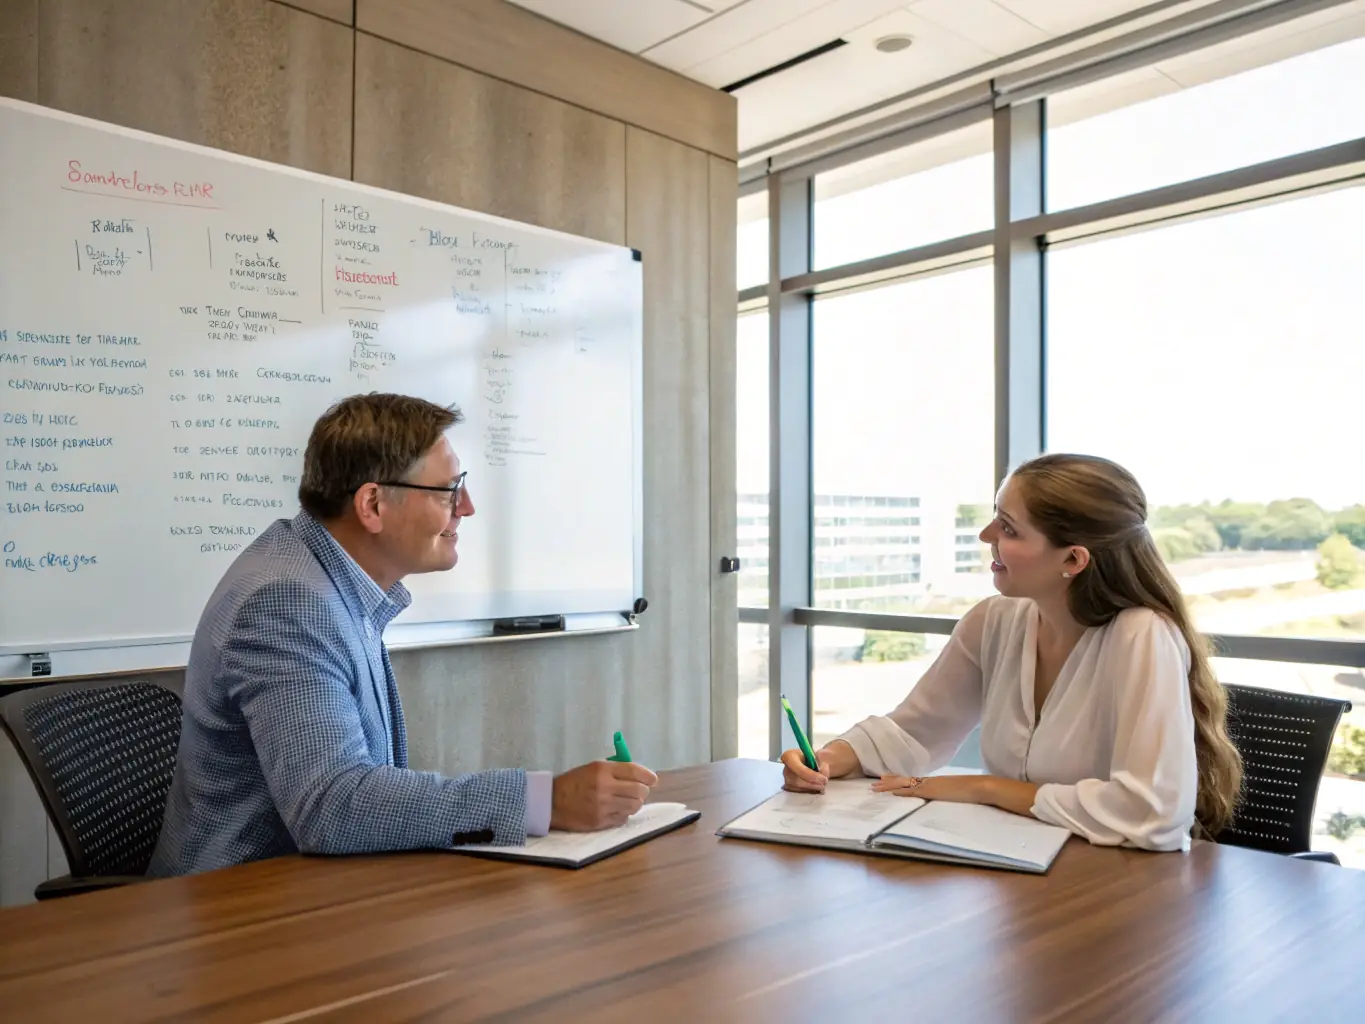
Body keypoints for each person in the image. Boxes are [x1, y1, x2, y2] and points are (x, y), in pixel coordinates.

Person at [150, 393, 656, 876]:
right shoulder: (287, 602)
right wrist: (543, 802)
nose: (467, 507)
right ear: (372, 505)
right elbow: (334, 806)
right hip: (239, 917)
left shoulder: (325, 580)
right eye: (449, 490)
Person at [780, 453, 1242, 852]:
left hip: (1117, 891)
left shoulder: (1142, 636)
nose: (986, 535)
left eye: (1009, 528)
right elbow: (917, 732)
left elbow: (1152, 812)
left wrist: (986, 788)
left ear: (1073, 560)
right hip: (1016, 873)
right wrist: (831, 758)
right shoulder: (994, 621)